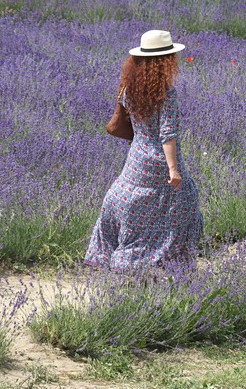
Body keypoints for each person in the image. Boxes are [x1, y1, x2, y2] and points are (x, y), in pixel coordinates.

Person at [84, 30, 203, 274]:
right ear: (166, 61)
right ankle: (168, 264)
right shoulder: (167, 94)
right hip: (160, 162)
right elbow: (167, 135)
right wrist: (173, 169)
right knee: (181, 207)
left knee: (129, 204)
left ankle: (118, 256)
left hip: (137, 159)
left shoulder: (129, 89)